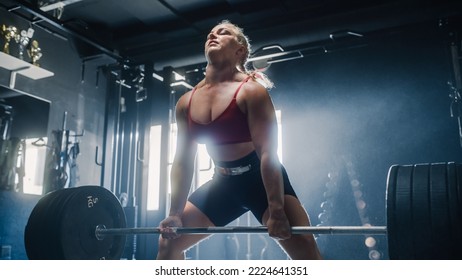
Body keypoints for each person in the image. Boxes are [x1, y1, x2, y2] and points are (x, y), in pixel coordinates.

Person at [156, 20, 322, 260]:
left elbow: (267, 153)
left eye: (223, 33)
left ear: (240, 49)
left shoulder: (251, 91)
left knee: (307, 255)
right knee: (168, 244)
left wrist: (276, 209)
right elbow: (182, 160)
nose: (213, 35)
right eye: (210, 34)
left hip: (260, 182)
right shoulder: (186, 102)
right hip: (222, 183)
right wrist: (174, 213)